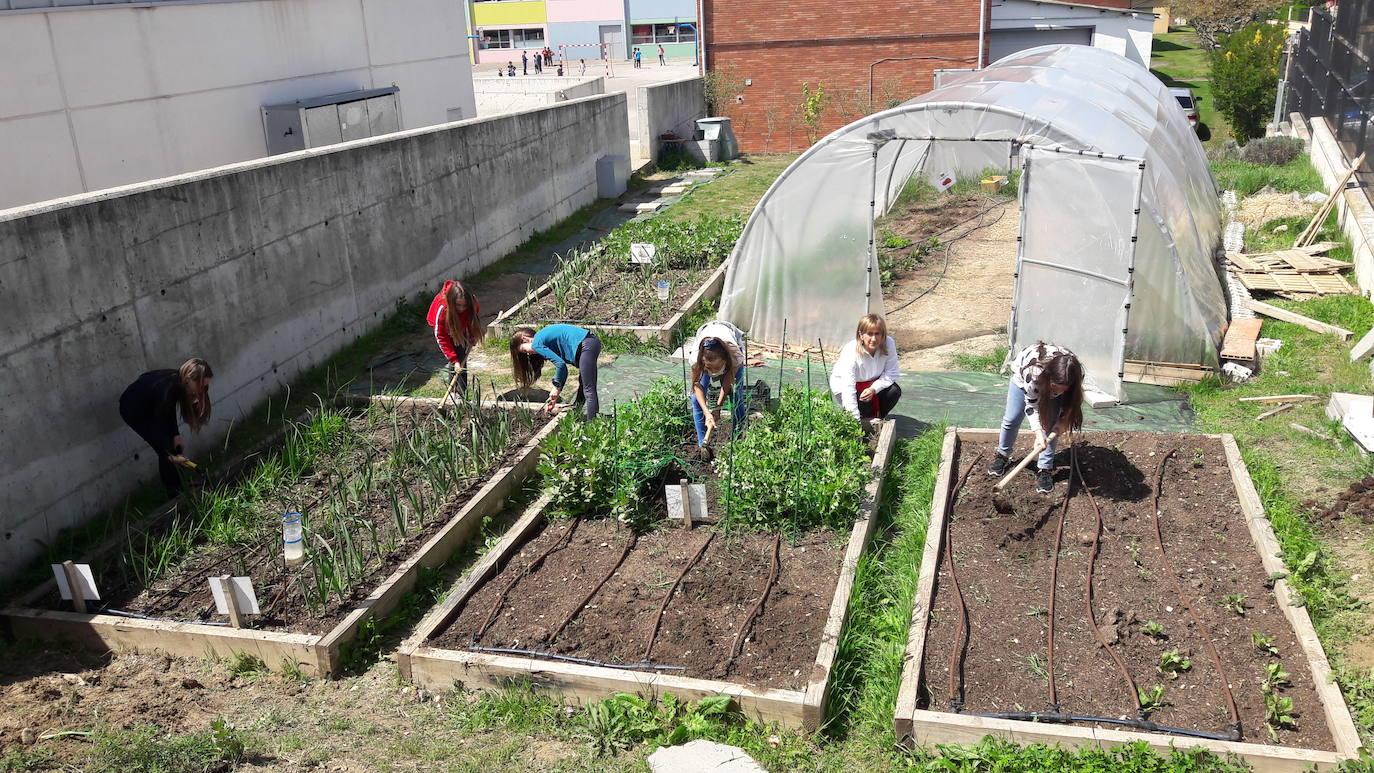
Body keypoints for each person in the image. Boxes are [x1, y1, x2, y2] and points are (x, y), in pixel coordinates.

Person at [986, 342, 1085, 494]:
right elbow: (1031, 407)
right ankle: (1002, 454)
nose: (1059, 391)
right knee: (1012, 419)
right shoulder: (1033, 374)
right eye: (1056, 386)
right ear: (1049, 377)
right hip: (1024, 381)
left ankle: (1044, 469)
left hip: (1050, 381)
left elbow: (1073, 399)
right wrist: (1038, 434)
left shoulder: (1073, 373)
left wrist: (1063, 420)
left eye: (1063, 388)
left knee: (1049, 424)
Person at [119, 359, 213, 497]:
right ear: (189, 378)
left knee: (170, 448)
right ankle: (175, 493)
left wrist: (176, 435)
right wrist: (169, 449)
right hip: (133, 410)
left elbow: (168, 410)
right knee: (166, 450)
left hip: (150, 407)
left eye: (205, 387)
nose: (202, 391)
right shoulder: (168, 387)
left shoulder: (178, 383)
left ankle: (178, 486)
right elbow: (161, 420)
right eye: (201, 386)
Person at [510, 324, 602, 419]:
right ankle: (577, 411)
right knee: (583, 382)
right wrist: (555, 394)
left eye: (525, 350)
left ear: (525, 339)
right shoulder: (542, 336)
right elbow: (562, 368)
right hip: (590, 342)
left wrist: (556, 388)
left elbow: (561, 365)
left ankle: (593, 425)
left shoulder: (536, 343)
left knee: (589, 390)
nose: (529, 354)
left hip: (586, 345)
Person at [829, 314, 901, 424]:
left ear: (883, 335)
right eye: (869, 334)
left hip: (871, 383)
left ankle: (878, 419)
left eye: (877, 334)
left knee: (894, 392)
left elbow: (892, 372)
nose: (874, 339)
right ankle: (862, 419)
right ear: (861, 335)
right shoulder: (850, 352)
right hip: (847, 386)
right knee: (862, 408)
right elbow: (848, 389)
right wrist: (854, 423)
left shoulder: (888, 343)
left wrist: (874, 388)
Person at [686, 320, 748, 446]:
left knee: (736, 395)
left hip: (728, 333)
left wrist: (718, 407)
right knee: (695, 400)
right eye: (709, 368)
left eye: (716, 368)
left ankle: (738, 437)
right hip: (706, 331)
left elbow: (727, 383)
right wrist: (707, 413)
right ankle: (702, 443)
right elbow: (696, 386)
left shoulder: (735, 356)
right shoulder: (696, 359)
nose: (713, 372)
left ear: (724, 360)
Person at [426, 280, 484, 395]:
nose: (462, 308)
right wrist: (454, 360)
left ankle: (460, 393)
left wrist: (472, 336)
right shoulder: (442, 309)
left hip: (458, 321)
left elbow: (471, 320)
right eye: (458, 305)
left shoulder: (473, 304)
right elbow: (441, 337)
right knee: (458, 355)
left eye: (464, 305)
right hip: (447, 323)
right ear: (452, 302)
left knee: (461, 355)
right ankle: (458, 393)